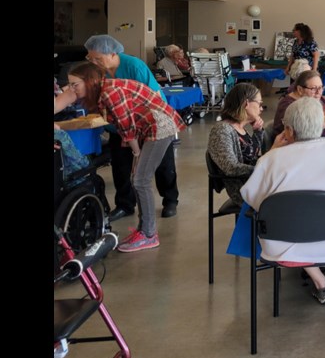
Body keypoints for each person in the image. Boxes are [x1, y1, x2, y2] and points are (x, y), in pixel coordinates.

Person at [241, 98, 325, 305]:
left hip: (283, 245)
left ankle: (320, 282)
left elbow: (253, 198)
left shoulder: (270, 159)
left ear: (289, 130)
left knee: (295, 222)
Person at [67, 62, 185, 253]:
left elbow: (127, 127)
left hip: (160, 126)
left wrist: (137, 153)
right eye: (70, 85)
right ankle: (143, 229)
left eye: (75, 84)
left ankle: (149, 234)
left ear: (90, 81)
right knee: (137, 179)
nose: (72, 89)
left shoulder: (109, 92)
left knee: (140, 180)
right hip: (148, 126)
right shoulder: (102, 90)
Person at [84, 34, 180, 221]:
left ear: (112, 54)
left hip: (150, 123)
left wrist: (135, 134)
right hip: (118, 126)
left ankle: (170, 200)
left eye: (97, 58)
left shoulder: (134, 66)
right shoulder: (97, 71)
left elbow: (154, 98)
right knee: (121, 166)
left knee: (162, 164)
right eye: (90, 58)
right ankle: (125, 204)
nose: (93, 62)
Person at [206, 83, 266, 207]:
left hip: (252, 182)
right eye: (259, 104)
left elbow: (252, 154)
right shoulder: (222, 130)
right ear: (246, 103)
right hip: (241, 189)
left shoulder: (240, 128)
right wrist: (263, 170)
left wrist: (258, 132)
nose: (261, 108)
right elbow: (230, 167)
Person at [273, 70, 325, 141]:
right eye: (314, 88)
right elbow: (299, 134)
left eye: (320, 87)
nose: (319, 92)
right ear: (300, 90)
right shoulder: (289, 106)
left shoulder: (314, 98)